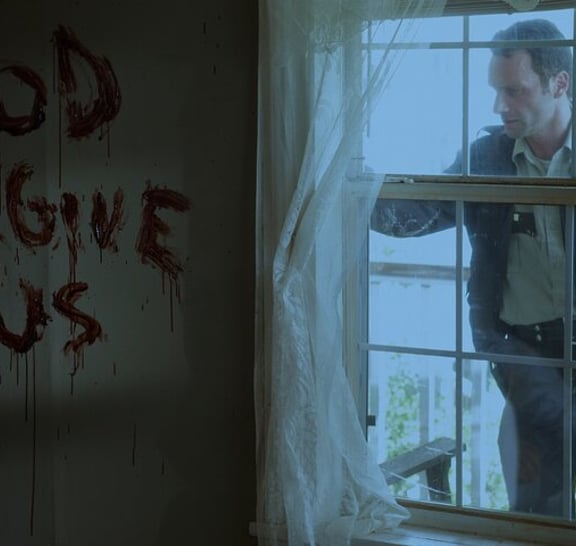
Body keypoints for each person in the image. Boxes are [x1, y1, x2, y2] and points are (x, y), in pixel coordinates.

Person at [370, 18, 576, 516]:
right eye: (495, 91)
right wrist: (348, 188)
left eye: (514, 91)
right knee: (538, 514)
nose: (499, 106)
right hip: (527, 358)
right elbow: (417, 215)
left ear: (559, 84)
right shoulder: (487, 158)